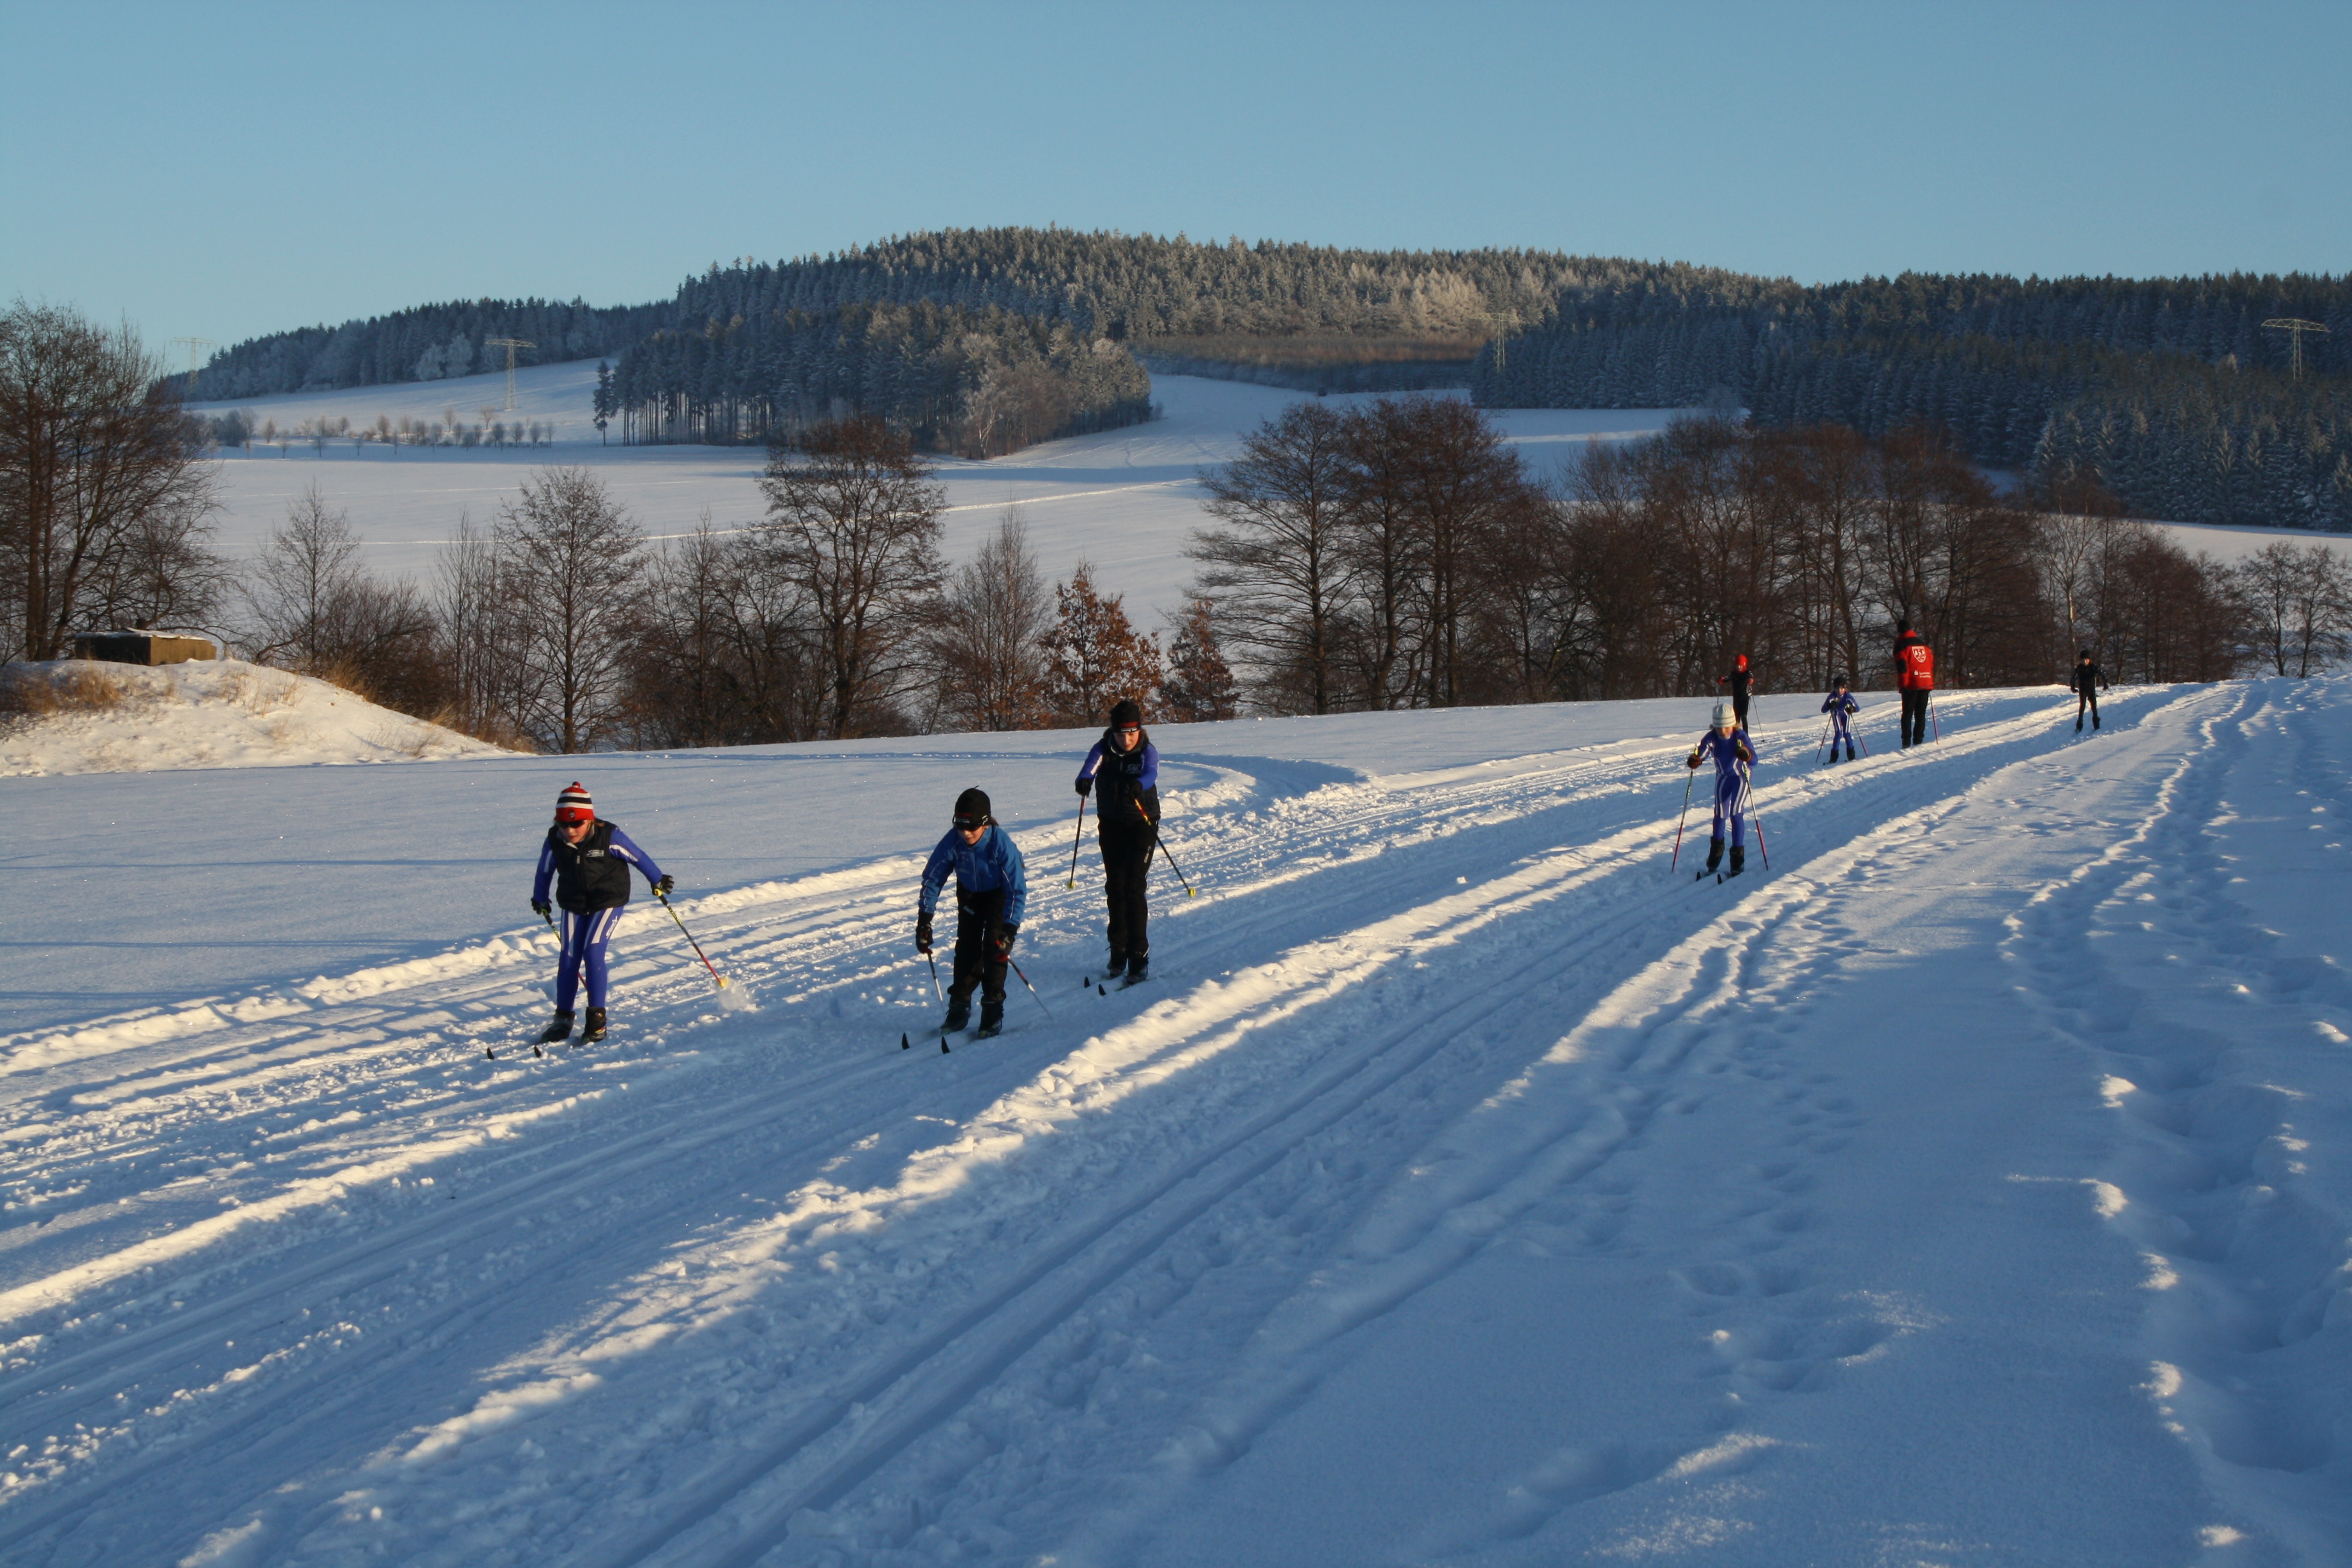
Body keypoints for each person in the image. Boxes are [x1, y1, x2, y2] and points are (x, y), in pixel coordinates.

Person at [531, 782, 671, 1045]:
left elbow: (638, 857)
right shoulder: (555, 840)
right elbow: (545, 870)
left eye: (577, 824)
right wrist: (540, 898)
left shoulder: (609, 836)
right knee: (569, 956)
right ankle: (563, 1019)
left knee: (592, 951)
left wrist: (657, 880)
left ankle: (596, 1021)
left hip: (608, 899)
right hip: (573, 901)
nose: (570, 830)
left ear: (590, 819)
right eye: (563, 825)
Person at [916, 787, 1028, 1038]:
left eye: (972, 828)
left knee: (994, 947)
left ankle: (992, 1006)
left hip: (999, 894)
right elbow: (932, 879)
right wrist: (924, 920)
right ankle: (959, 1006)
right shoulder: (953, 841)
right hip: (970, 894)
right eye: (961, 827)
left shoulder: (1001, 843)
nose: (966, 833)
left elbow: (1017, 889)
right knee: (967, 947)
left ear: (986, 824)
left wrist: (1010, 929)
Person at [1075, 697, 1159, 985]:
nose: (1127, 739)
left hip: (1142, 824)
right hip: (1111, 824)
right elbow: (1089, 768)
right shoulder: (1103, 749)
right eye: (1122, 733)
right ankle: (1119, 950)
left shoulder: (1147, 751)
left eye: (1132, 732)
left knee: (1134, 887)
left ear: (1139, 730)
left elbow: (1150, 773)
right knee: (1115, 887)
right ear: (1113, 731)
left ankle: (1138, 954)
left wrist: (1139, 785)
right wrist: (1084, 780)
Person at [1685, 702, 1759, 878]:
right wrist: (1694, 760)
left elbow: (1755, 760)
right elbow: (1700, 754)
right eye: (1719, 727)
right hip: (1723, 778)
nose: (1723, 731)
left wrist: (1746, 755)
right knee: (1719, 815)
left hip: (1741, 778)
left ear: (1733, 724)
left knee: (1735, 813)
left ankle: (1737, 860)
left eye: (1726, 727)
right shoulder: (1712, 737)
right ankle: (1715, 857)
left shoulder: (1740, 736)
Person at [1893, 624, 1935, 748]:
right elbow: (1930, 664)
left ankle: (1906, 742)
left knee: (1907, 714)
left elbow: (1903, 667)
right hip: (1926, 682)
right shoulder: (1924, 645)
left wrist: (1904, 685)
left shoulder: (1901, 645)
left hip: (1911, 685)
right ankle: (1918, 741)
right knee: (1920, 714)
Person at [1820, 676, 1860, 763]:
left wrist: (1852, 709)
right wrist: (1830, 706)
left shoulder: (1848, 696)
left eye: (1841, 688)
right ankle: (1833, 759)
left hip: (1846, 715)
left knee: (1847, 734)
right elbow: (1823, 710)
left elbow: (1858, 708)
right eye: (1837, 688)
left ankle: (1851, 757)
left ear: (1845, 688)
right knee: (1838, 734)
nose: (1839, 690)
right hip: (1836, 714)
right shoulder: (1832, 696)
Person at [2070, 649, 2107, 731]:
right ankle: (2079, 724)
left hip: (2091, 689)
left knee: (2094, 706)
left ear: (2089, 660)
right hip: (2083, 689)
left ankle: (2096, 724)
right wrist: (2072, 687)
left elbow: (2102, 674)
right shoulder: (2079, 668)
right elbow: (2073, 678)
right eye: (2083, 660)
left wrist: (2105, 683)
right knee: (2082, 706)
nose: (2085, 662)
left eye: (2087, 660)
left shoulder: (2093, 667)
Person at [1718, 655, 1756, 731]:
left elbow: (1751, 677)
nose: (1738, 668)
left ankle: (1745, 736)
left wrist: (1750, 681)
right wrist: (1721, 680)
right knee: (1736, 718)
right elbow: (1727, 678)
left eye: (1740, 666)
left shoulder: (1747, 673)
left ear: (1744, 665)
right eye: (1737, 666)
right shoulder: (1734, 674)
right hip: (1736, 698)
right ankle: (1736, 736)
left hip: (1745, 698)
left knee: (1744, 717)